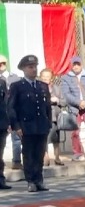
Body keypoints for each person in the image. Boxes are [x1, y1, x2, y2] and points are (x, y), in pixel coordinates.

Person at [8, 55, 52, 192]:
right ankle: (31, 181)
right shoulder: (17, 86)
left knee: (39, 154)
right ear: (23, 69)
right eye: (30, 67)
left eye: (35, 67)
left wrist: (49, 123)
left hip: (41, 125)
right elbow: (11, 107)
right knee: (28, 154)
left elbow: (47, 107)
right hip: (26, 126)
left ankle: (39, 180)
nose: (34, 69)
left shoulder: (42, 86)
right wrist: (16, 126)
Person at [60, 56, 85, 160]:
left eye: (78, 64)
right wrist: (79, 102)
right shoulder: (65, 78)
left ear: (81, 65)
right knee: (75, 132)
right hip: (74, 108)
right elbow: (66, 94)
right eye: (74, 65)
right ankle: (77, 153)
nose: (76, 66)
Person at [40, 69, 65, 167]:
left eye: (48, 77)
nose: (45, 79)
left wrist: (57, 100)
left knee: (56, 138)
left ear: (51, 78)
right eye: (43, 77)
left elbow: (64, 101)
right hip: (43, 117)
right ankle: (45, 157)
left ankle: (57, 158)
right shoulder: (37, 88)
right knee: (45, 138)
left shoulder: (57, 88)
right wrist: (48, 100)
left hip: (55, 117)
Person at [0, 60, 10, 190]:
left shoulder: (2, 82)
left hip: (1, 124)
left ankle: (0, 180)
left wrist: (8, 121)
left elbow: (5, 104)